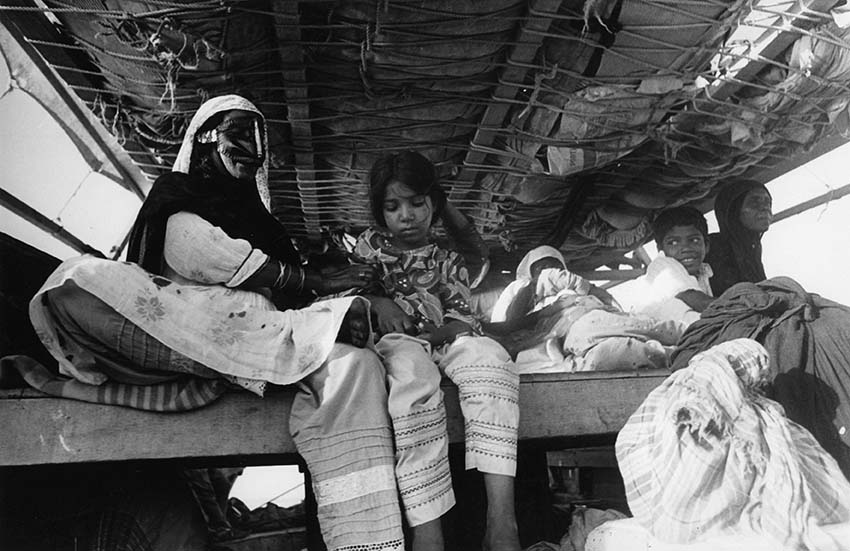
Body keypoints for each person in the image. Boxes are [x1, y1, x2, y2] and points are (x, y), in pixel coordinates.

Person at [27, 95, 408, 551]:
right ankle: (312, 333)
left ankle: (309, 339)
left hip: (254, 328)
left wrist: (322, 284)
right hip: (180, 325)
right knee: (77, 282)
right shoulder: (177, 196)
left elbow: (282, 288)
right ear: (206, 139)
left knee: (350, 362)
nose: (251, 146)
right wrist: (319, 280)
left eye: (257, 137)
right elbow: (199, 252)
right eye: (237, 133)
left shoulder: (262, 224)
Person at [351, 151, 521, 551]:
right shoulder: (370, 247)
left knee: (490, 359)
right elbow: (353, 294)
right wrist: (380, 302)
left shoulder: (447, 260)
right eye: (392, 207)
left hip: (444, 337)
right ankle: (428, 528)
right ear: (380, 213)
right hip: (397, 343)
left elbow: (462, 318)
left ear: (434, 204)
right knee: (413, 380)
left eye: (417, 203)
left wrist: (437, 336)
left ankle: (502, 521)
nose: (406, 215)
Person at [488, 246, 681, 372]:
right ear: (530, 273)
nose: (549, 270)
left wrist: (582, 291)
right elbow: (506, 324)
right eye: (541, 267)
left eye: (555, 266)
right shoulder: (521, 288)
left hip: (590, 311)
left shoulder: (574, 285)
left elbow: (608, 302)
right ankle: (673, 352)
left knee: (639, 326)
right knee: (609, 347)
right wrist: (542, 300)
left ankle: (686, 338)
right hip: (567, 325)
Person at [635, 207, 714, 327]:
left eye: (694, 240)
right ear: (660, 250)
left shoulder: (704, 271)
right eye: (673, 243)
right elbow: (701, 302)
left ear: (706, 245)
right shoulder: (663, 266)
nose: (686, 248)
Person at [704, 179, 773, 296]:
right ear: (733, 210)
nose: (765, 208)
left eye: (768, 202)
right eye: (754, 202)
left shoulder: (752, 249)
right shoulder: (714, 247)